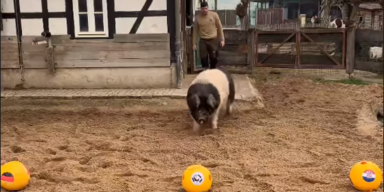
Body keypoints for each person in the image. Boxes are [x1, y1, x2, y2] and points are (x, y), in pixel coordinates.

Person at [192, 1, 225, 70]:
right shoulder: (198, 18)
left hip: (213, 39)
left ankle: (213, 70)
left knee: (213, 58)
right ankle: (205, 71)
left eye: (206, 8)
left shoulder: (214, 15)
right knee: (203, 58)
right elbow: (195, 31)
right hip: (203, 40)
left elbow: (219, 27)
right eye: (203, 9)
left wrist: (222, 39)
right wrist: (194, 43)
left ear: (208, 8)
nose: (204, 10)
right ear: (200, 9)